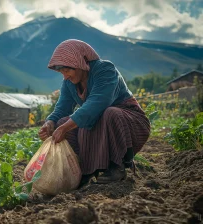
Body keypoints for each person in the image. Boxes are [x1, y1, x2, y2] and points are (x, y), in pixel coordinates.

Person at [39, 39, 150, 185]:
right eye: (62, 72)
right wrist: (50, 123)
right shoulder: (69, 83)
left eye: (67, 70)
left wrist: (66, 127)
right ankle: (83, 171)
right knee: (62, 122)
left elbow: (97, 103)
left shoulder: (105, 70)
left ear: (79, 62)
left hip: (128, 119)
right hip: (98, 119)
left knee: (110, 113)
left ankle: (118, 165)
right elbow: (62, 108)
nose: (65, 76)